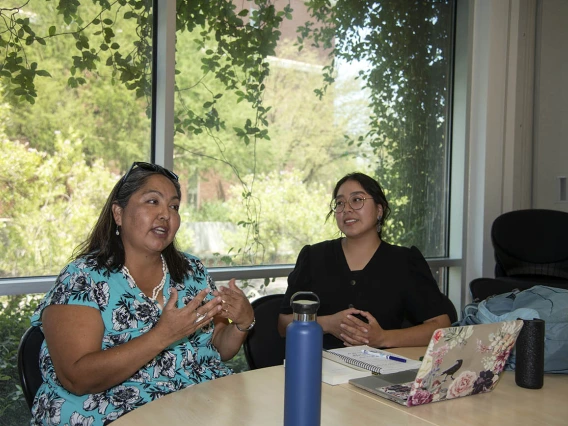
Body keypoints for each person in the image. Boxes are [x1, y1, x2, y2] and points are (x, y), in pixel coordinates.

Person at [29, 162, 255, 425]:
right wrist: (161, 336)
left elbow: (218, 347)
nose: (165, 214)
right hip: (107, 410)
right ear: (118, 213)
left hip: (198, 403)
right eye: (152, 201)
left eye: (174, 206)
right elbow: (77, 378)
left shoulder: (191, 270)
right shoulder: (83, 277)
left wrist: (242, 322)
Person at [278, 172, 452, 350]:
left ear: (379, 210)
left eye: (357, 200)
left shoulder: (405, 261)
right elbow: (284, 324)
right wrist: (327, 323)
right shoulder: (313, 257)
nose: (346, 209)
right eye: (340, 203)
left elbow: (440, 326)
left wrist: (383, 338)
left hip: (384, 370)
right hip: (319, 369)